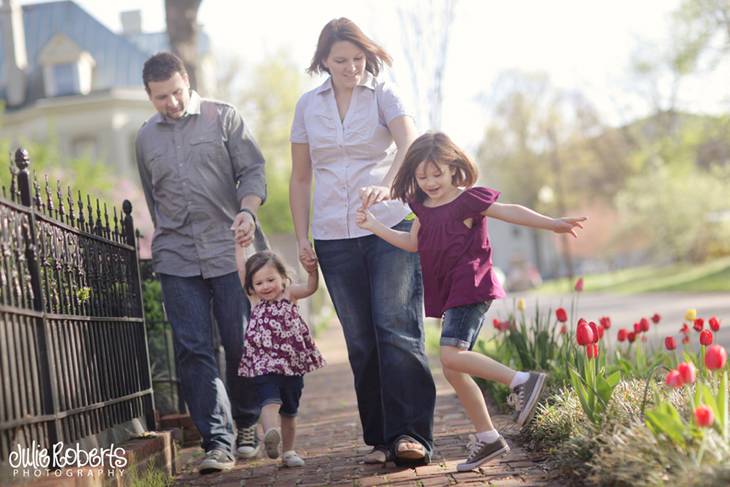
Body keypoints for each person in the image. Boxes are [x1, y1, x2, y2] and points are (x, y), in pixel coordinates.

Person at [355, 132, 587, 471]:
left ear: (453, 168)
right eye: (422, 176)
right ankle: (488, 437)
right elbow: (413, 244)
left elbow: (509, 211)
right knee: (453, 368)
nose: (431, 182)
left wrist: (552, 224)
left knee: (451, 355)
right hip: (449, 292)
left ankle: (521, 381)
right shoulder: (421, 206)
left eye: (437, 173)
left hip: (471, 286)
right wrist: (374, 226)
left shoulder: (468, 200)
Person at [289, 18, 436, 466]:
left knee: (397, 327)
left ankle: (411, 435)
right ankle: (381, 438)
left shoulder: (385, 93)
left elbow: (411, 146)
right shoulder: (307, 106)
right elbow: (299, 176)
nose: (352, 67)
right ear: (323, 61)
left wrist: (391, 186)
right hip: (333, 234)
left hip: (389, 226)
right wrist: (301, 236)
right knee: (360, 340)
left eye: (357, 58)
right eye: (341, 60)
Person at [135, 52, 266, 474]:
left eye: (176, 92)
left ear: (186, 82)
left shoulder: (222, 117)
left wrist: (247, 211)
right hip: (176, 255)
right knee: (192, 350)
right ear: (149, 96)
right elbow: (154, 198)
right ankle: (217, 441)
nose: (171, 103)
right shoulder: (145, 138)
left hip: (230, 249)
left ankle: (246, 423)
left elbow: (252, 171)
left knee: (240, 340)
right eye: (160, 97)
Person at [236, 249, 325, 468]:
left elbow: (311, 288)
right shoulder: (255, 300)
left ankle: (289, 451)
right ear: (251, 287)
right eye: (258, 283)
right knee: (269, 401)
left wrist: (312, 271)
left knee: (290, 410)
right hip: (263, 363)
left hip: (292, 364)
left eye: (270, 280)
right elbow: (241, 270)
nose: (265, 286)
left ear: (283, 278)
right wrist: (239, 246)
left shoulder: (290, 294)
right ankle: (270, 435)